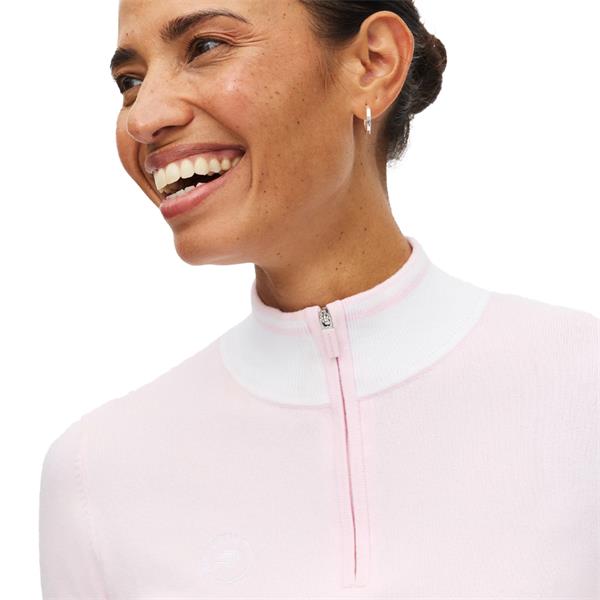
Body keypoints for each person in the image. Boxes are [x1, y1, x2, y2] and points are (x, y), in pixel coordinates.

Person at [39, 0, 599, 598]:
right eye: (130, 81)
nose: (144, 116)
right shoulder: (96, 475)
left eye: (205, 47)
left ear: (373, 63)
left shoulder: (582, 388)